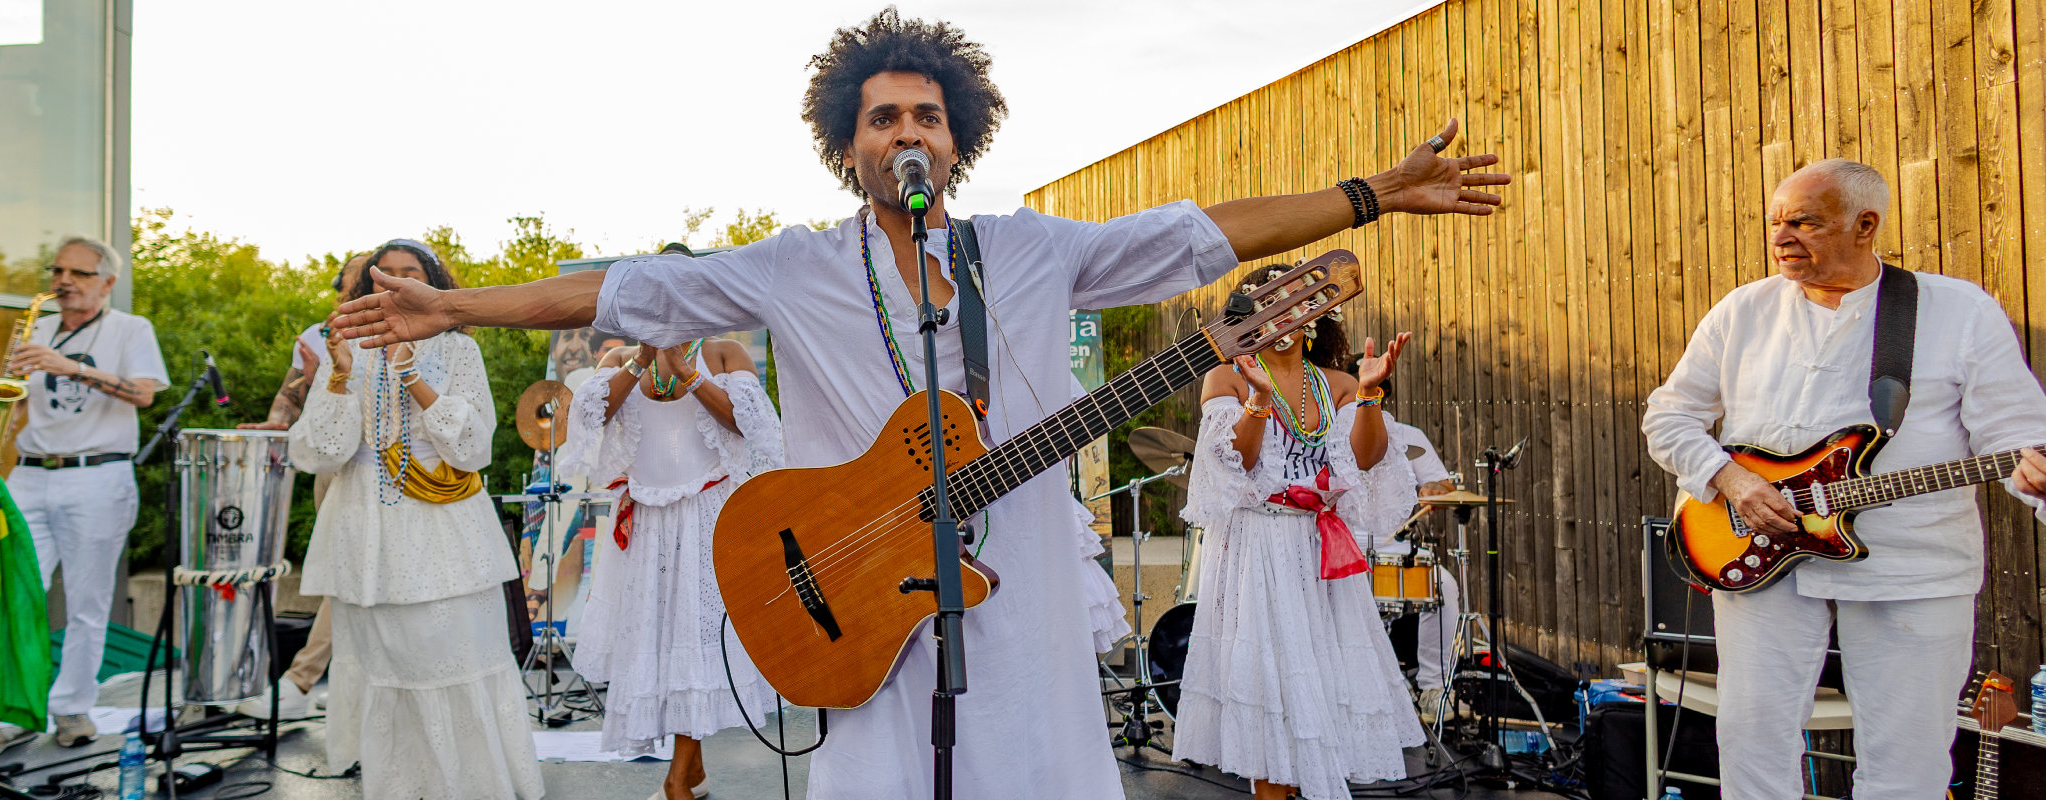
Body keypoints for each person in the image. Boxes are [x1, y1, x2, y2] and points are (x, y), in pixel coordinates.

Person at [328, 11, 1508, 798]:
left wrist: (1368, 195)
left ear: (960, 140)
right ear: (849, 145)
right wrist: (460, 306)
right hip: (861, 605)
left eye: (927, 116)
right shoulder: (793, 264)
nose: (908, 131)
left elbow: (1200, 231)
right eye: (884, 117)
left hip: (1025, 606)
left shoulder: (1033, 251)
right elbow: (629, 286)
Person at [1642, 158, 2046, 799]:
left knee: (1908, 760)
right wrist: (1731, 480)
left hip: (1913, 569)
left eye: (1803, 222)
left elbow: (2019, 440)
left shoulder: (1957, 312)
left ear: (1865, 224)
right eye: (1775, 222)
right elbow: (1670, 417)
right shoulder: (1742, 311)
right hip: (1755, 555)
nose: (1781, 237)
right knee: (1752, 744)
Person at [289, 240, 543, 799]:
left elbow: (473, 449)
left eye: (411, 273)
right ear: (367, 286)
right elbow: (317, 455)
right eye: (385, 274)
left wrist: (412, 377)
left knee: (453, 660)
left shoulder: (456, 350)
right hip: (363, 536)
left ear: (432, 286)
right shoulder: (347, 348)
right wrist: (336, 376)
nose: (396, 283)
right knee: (389, 673)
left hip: (443, 535)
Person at [1171, 264, 1422, 800]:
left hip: (1317, 550)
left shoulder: (1338, 383)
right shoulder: (1228, 379)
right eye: (1270, 302)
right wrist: (1258, 403)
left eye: (1295, 300)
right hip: (1258, 548)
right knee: (1274, 694)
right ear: (1251, 314)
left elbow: (1365, 457)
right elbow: (1236, 462)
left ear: (1315, 313)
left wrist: (1372, 395)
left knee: (1325, 692)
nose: (1284, 312)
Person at [555, 331, 783, 800]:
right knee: (655, 639)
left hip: (705, 518)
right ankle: (692, 769)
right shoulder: (620, 357)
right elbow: (589, 418)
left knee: (693, 639)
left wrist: (688, 372)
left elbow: (748, 425)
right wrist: (639, 361)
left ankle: (679, 779)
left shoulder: (723, 351)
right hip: (644, 525)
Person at [0, 235, 171, 758]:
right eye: (58, 271)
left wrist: (73, 367)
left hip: (97, 476)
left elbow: (144, 393)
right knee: (16, 595)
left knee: (87, 601)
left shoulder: (132, 329)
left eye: (78, 274)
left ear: (107, 282)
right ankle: (8, 713)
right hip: (30, 474)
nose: (63, 281)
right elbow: (18, 407)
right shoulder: (37, 328)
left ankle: (72, 708)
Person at [232, 252, 371, 720]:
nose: (343, 292)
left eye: (352, 284)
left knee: (348, 571)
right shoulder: (320, 333)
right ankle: (350, 682)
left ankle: (301, 679)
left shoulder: (395, 332)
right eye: (343, 284)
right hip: (331, 464)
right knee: (342, 569)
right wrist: (273, 429)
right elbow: (289, 394)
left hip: (379, 468)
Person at [1363, 383, 1463, 711]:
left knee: (1444, 587)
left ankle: (1434, 688)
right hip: (1342, 545)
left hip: (1395, 546)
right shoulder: (1329, 435)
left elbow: (1444, 485)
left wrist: (1435, 490)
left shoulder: (1408, 437)